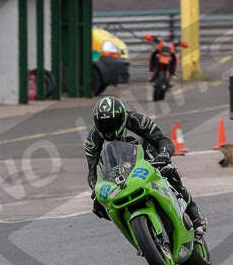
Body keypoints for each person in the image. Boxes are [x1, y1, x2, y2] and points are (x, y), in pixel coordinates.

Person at [84, 95, 207, 231]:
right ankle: (135, 233)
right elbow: (92, 171)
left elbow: (163, 140)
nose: (108, 128)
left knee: (170, 173)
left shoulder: (138, 121)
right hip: (118, 175)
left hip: (148, 161)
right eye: (103, 124)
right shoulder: (92, 140)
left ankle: (194, 212)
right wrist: (96, 191)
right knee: (102, 206)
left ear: (122, 117)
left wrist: (163, 154)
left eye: (112, 123)